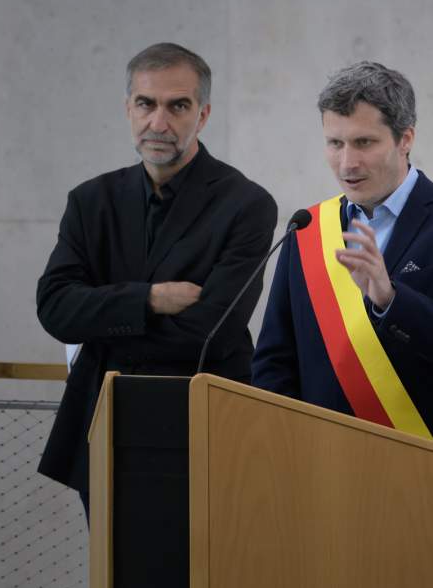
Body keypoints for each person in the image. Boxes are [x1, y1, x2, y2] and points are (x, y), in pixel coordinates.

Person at [36, 43, 278, 514]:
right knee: (111, 564)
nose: (159, 123)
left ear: (203, 115)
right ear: (128, 108)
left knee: (204, 564)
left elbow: (210, 333)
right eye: (146, 104)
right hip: (105, 426)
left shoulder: (246, 204)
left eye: (177, 106)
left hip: (203, 427)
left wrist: (103, 325)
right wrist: (148, 299)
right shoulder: (90, 201)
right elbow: (55, 310)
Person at [252, 61, 433, 439]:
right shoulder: (307, 228)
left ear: (405, 139)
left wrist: (390, 300)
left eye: (364, 142)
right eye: (335, 143)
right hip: (320, 459)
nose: (347, 163)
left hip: (419, 460)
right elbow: (274, 361)